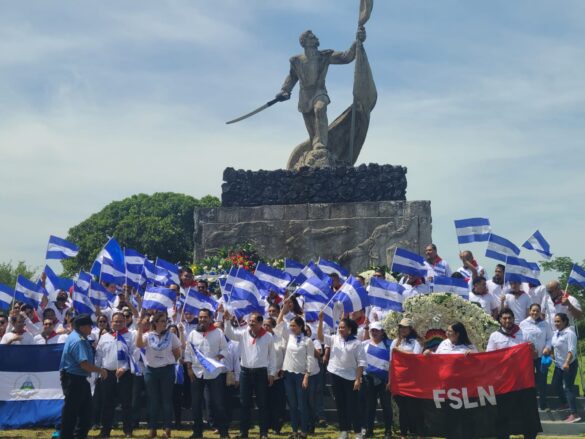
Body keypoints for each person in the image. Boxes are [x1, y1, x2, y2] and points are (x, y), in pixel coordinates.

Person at [277, 28, 366, 154]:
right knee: (312, 129)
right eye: (311, 38)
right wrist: (285, 90)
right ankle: (316, 148)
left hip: (319, 92)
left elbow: (346, 57)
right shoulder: (296, 61)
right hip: (305, 97)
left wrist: (357, 42)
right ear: (304, 42)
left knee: (320, 109)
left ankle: (321, 144)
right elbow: (292, 77)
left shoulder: (325, 56)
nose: (315, 39)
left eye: (314, 37)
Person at [223, 310, 276, 439]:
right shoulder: (243, 333)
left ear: (260, 323)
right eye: (250, 321)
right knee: (244, 403)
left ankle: (263, 432)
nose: (250, 323)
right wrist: (227, 321)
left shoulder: (268, 336)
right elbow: (229, 334)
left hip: (261, 372)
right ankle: (243, 432)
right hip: (245, 372)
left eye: (253, 321)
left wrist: (272, 373)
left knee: (262, 403)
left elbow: (272, 356)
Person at [317, 311, 367, 439]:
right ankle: (344, 431)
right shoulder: (334, 339)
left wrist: (358, 379)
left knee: (352, 406)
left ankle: (357, 431)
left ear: (350, 329)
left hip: (351, 377)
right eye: (339, 327)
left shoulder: (357, 343)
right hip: (336, 374)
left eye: (343, 327)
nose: (340, 329)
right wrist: (321, 320)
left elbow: (361, 363)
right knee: (340, 404)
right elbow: (320, 337)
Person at [59, 314, 108, 439]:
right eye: (89, 326)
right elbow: (84, 364)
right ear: (82, 327)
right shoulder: (78, 341)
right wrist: (100, 370)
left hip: (79, 379)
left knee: (86, 411)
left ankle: (79, 435)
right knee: (72, 412)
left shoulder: (78, 337)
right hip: (74, 379)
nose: (91, 329)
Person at [136, 311, 182, 439]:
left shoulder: (171, 336)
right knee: (153, 400)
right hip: (151, 371)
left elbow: (177, 353)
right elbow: (139, 345)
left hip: (167, 370)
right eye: (162, 321)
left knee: (167, 400)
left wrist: (168, 361)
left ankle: (167, 429)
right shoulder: (148, 335)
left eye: (165, 321)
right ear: (155, 323)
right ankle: (152, 428)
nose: (164, 323)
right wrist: (140, 328)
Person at [184, 308, 229, 439]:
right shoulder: (193, 334)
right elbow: (188, 353)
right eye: (201, 317)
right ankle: (197, 432)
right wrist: (189, 368)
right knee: (196, 404)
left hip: (214, 372)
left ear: (210, 318)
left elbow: (225, 349)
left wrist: (217, 358)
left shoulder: (218, 333)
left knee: (218, 403)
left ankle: (223, 432)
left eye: (205, 317)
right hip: (197, 373)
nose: (202, 319)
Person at [95, 311, 135, 438]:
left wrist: (124, 368)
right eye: (115, 321)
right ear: (111, 323)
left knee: (126, 403)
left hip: (124, 374)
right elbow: (99, 356)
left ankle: (127, 430)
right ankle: (105, 430)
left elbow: (134, 355)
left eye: (120, 321)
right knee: (107, 403)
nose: (117, 323)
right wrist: (99, 371)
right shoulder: (104, 337)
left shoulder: (130, 336)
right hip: (107, 374)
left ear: (125, 322)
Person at [279, 313, 318, 439]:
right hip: (288, 374)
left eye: (294, 326)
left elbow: (310, 359)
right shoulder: (288, 337)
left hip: (301, 375)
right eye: (290, 325)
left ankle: (304, 431)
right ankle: (294, 430)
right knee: (292, 404)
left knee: (302, 404)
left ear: (301, 326)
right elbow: (279, 325)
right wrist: (283, 309)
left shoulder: (308, 341)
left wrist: (307, 375)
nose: (291, 328)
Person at [388, 318, 422, 439]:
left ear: (410, 329)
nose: (403, 329)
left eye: (405, 327)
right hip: (399, 379)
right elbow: (391, 362)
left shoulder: (415, 342)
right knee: (402, 408)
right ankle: (403, 433)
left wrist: (400, 351)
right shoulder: (395, 342)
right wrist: (390, 380)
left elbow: (415, 356)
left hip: (412, 380)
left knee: (411, 407)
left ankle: (413, 431)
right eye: (401, 327)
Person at [362, 321, 393, 439]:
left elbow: (391, 365)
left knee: (386, 406)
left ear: (382, 332)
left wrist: (389, 381)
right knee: (370, 406)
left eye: (376, 330)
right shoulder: (364, 344)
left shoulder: (389, 345)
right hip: (369, 380)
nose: (374, 332)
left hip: (384, 380)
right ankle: (369, 430)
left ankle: (388, 431)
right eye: (372, 330)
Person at [519, 303, 552, 410]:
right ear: (529, 311)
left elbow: (549, 339)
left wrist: (547, 347)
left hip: (541, 357)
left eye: (537, 311)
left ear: (540, 312)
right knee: (528, 380)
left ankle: (543, 404)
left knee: (542, 379)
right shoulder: (523, 324)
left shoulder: (545, 324)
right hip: (527, 357)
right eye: (533, 310)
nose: (535, 313)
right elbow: (520, 339)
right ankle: (529, 404)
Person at [551, 312, 581, 423]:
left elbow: (571, 350)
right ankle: (564, 403)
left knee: (568, 388)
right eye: (555, 321)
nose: (556, 323)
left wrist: (567, 362)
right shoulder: (556, 333)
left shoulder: (570, 333)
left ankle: (574, 414)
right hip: (559, 365)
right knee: (555, 384)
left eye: (558, 321)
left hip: (569, 364)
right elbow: (554, 346)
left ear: (565, 322)